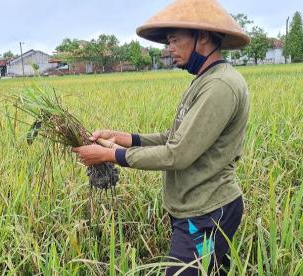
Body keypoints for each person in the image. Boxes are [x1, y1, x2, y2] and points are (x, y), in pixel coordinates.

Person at [71, 0, 250, 275]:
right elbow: (174, 137)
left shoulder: (219, 86)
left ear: (202, 37)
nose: (169, 49)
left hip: (207, 212)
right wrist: (121, 138)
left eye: (175, 40)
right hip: (193, 207)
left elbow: (177, 154)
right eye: (168, 42)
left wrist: (109, 155)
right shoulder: (204, 80)